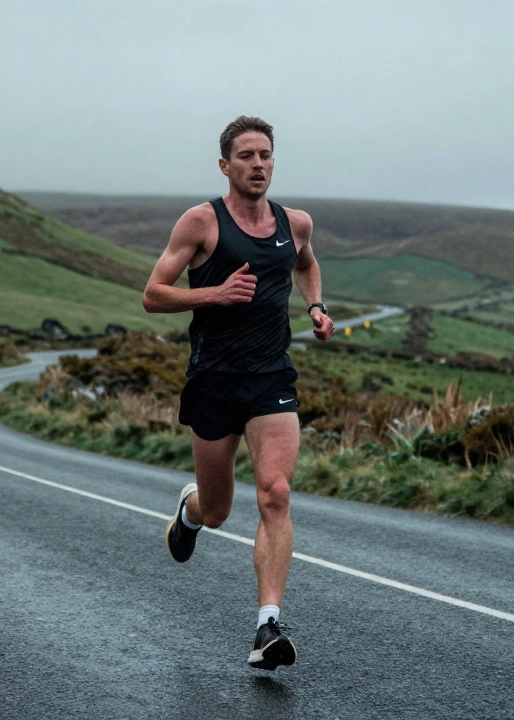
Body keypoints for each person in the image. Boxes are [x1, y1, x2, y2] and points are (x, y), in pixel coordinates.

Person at [142, 115, 335, 670]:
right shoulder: (201, 222)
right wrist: (216, 294)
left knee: (275, 492)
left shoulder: (294, 223)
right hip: (214, 380)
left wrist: (316, 308)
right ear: (225, 165)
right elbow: (153, 295)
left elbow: (307, 263)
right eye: (246, 156)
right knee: (221, 508)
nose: (258, 164)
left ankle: (266, 627)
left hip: (272, 376)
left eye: (266, 155)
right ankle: (191, 511)